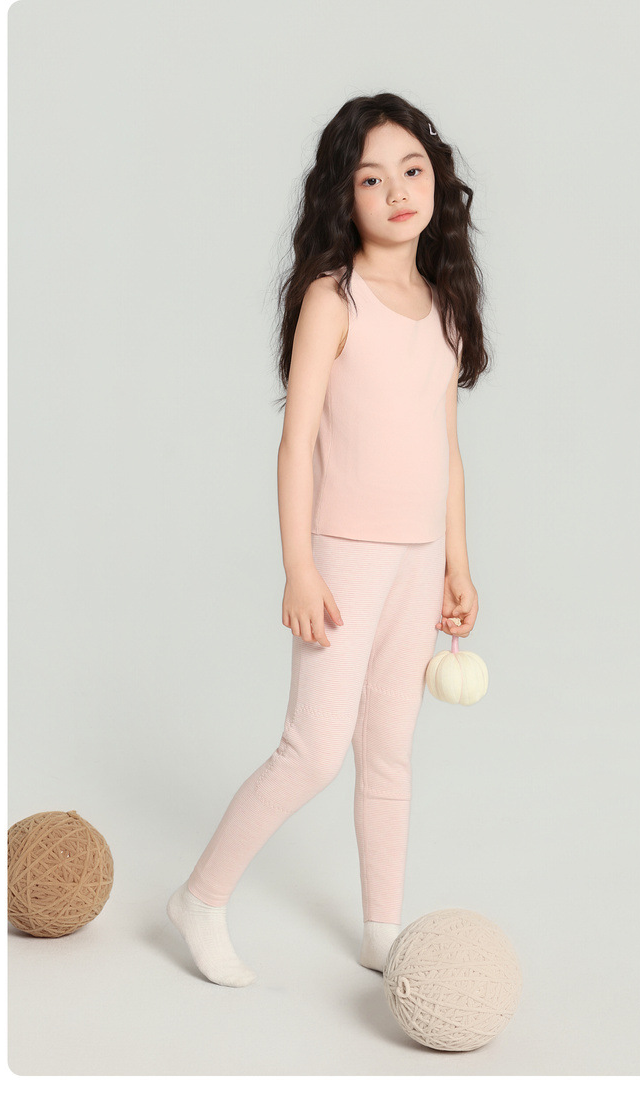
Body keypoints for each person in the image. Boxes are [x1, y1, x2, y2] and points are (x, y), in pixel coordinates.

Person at [167, 92, 492, 986]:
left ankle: (382, 929)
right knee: (312, 749)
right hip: (344, 556)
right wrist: (299, 567)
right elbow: (296, 440)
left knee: (389, 750)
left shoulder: (445, 305)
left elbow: (448, 450)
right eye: (372, 179)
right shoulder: (332, 296)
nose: (398, 191)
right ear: (343, 197)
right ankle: (200, 897)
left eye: (412, 171)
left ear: (437, 180)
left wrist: (458, 564)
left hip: (418, 562)